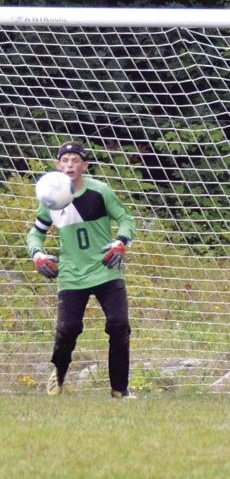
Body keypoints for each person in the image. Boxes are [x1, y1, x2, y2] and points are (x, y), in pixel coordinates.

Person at [27, 141, 137, 398]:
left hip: (106, 269)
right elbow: (35, 235)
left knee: (119, 325)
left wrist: (121, 242)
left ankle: (120, 390)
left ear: (85, 166)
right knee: (68, 330)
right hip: (72, 275)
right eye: (64, 160)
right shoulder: (50, 198)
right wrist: (38, 255)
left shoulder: (100, 191)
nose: (69, 165)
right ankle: (58, 377)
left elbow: (126, 219)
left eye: (75, 160)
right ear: (57, 165)